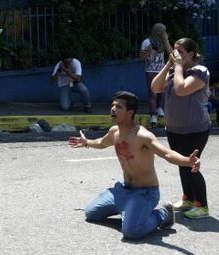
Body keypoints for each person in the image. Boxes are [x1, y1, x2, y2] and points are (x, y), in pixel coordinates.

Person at [68, 91, 200, 240]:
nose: (112, 109)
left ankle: (162, 215)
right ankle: (129, 211)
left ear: (130, 112)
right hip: (124, 190)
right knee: (91, 213)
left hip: (145, 193)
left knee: (131, 232)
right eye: (112, 105)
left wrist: (187, 161)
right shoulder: (114, 132)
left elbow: (166, 153)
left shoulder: (143, 136)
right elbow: (101, 142)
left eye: (118, 107)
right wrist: (87, 143)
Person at [151, 38, 210, 219]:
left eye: (181, 52)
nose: (177, 55)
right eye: (175, 52)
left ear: (191, 54)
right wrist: (170, 64)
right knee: (180, 163)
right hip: (174, 128)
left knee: (191, 165)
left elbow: (181, 89)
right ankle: (188, 199)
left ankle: (202, 205)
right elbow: (155, 87)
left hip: (195, 129)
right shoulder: (173, 70)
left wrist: (177, 67)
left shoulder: (199, 72)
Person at [140, 23, 173, 125]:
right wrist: (148, 52)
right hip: (150, 71)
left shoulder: (163, 42)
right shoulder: (146, 42)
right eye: (163, 32)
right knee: (153, 93)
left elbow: (171, 53)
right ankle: (153, 115)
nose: (165, 33)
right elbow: (141, 57)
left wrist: (166, 40)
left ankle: (159, 108)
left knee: (161, 92)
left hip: (161, 70)